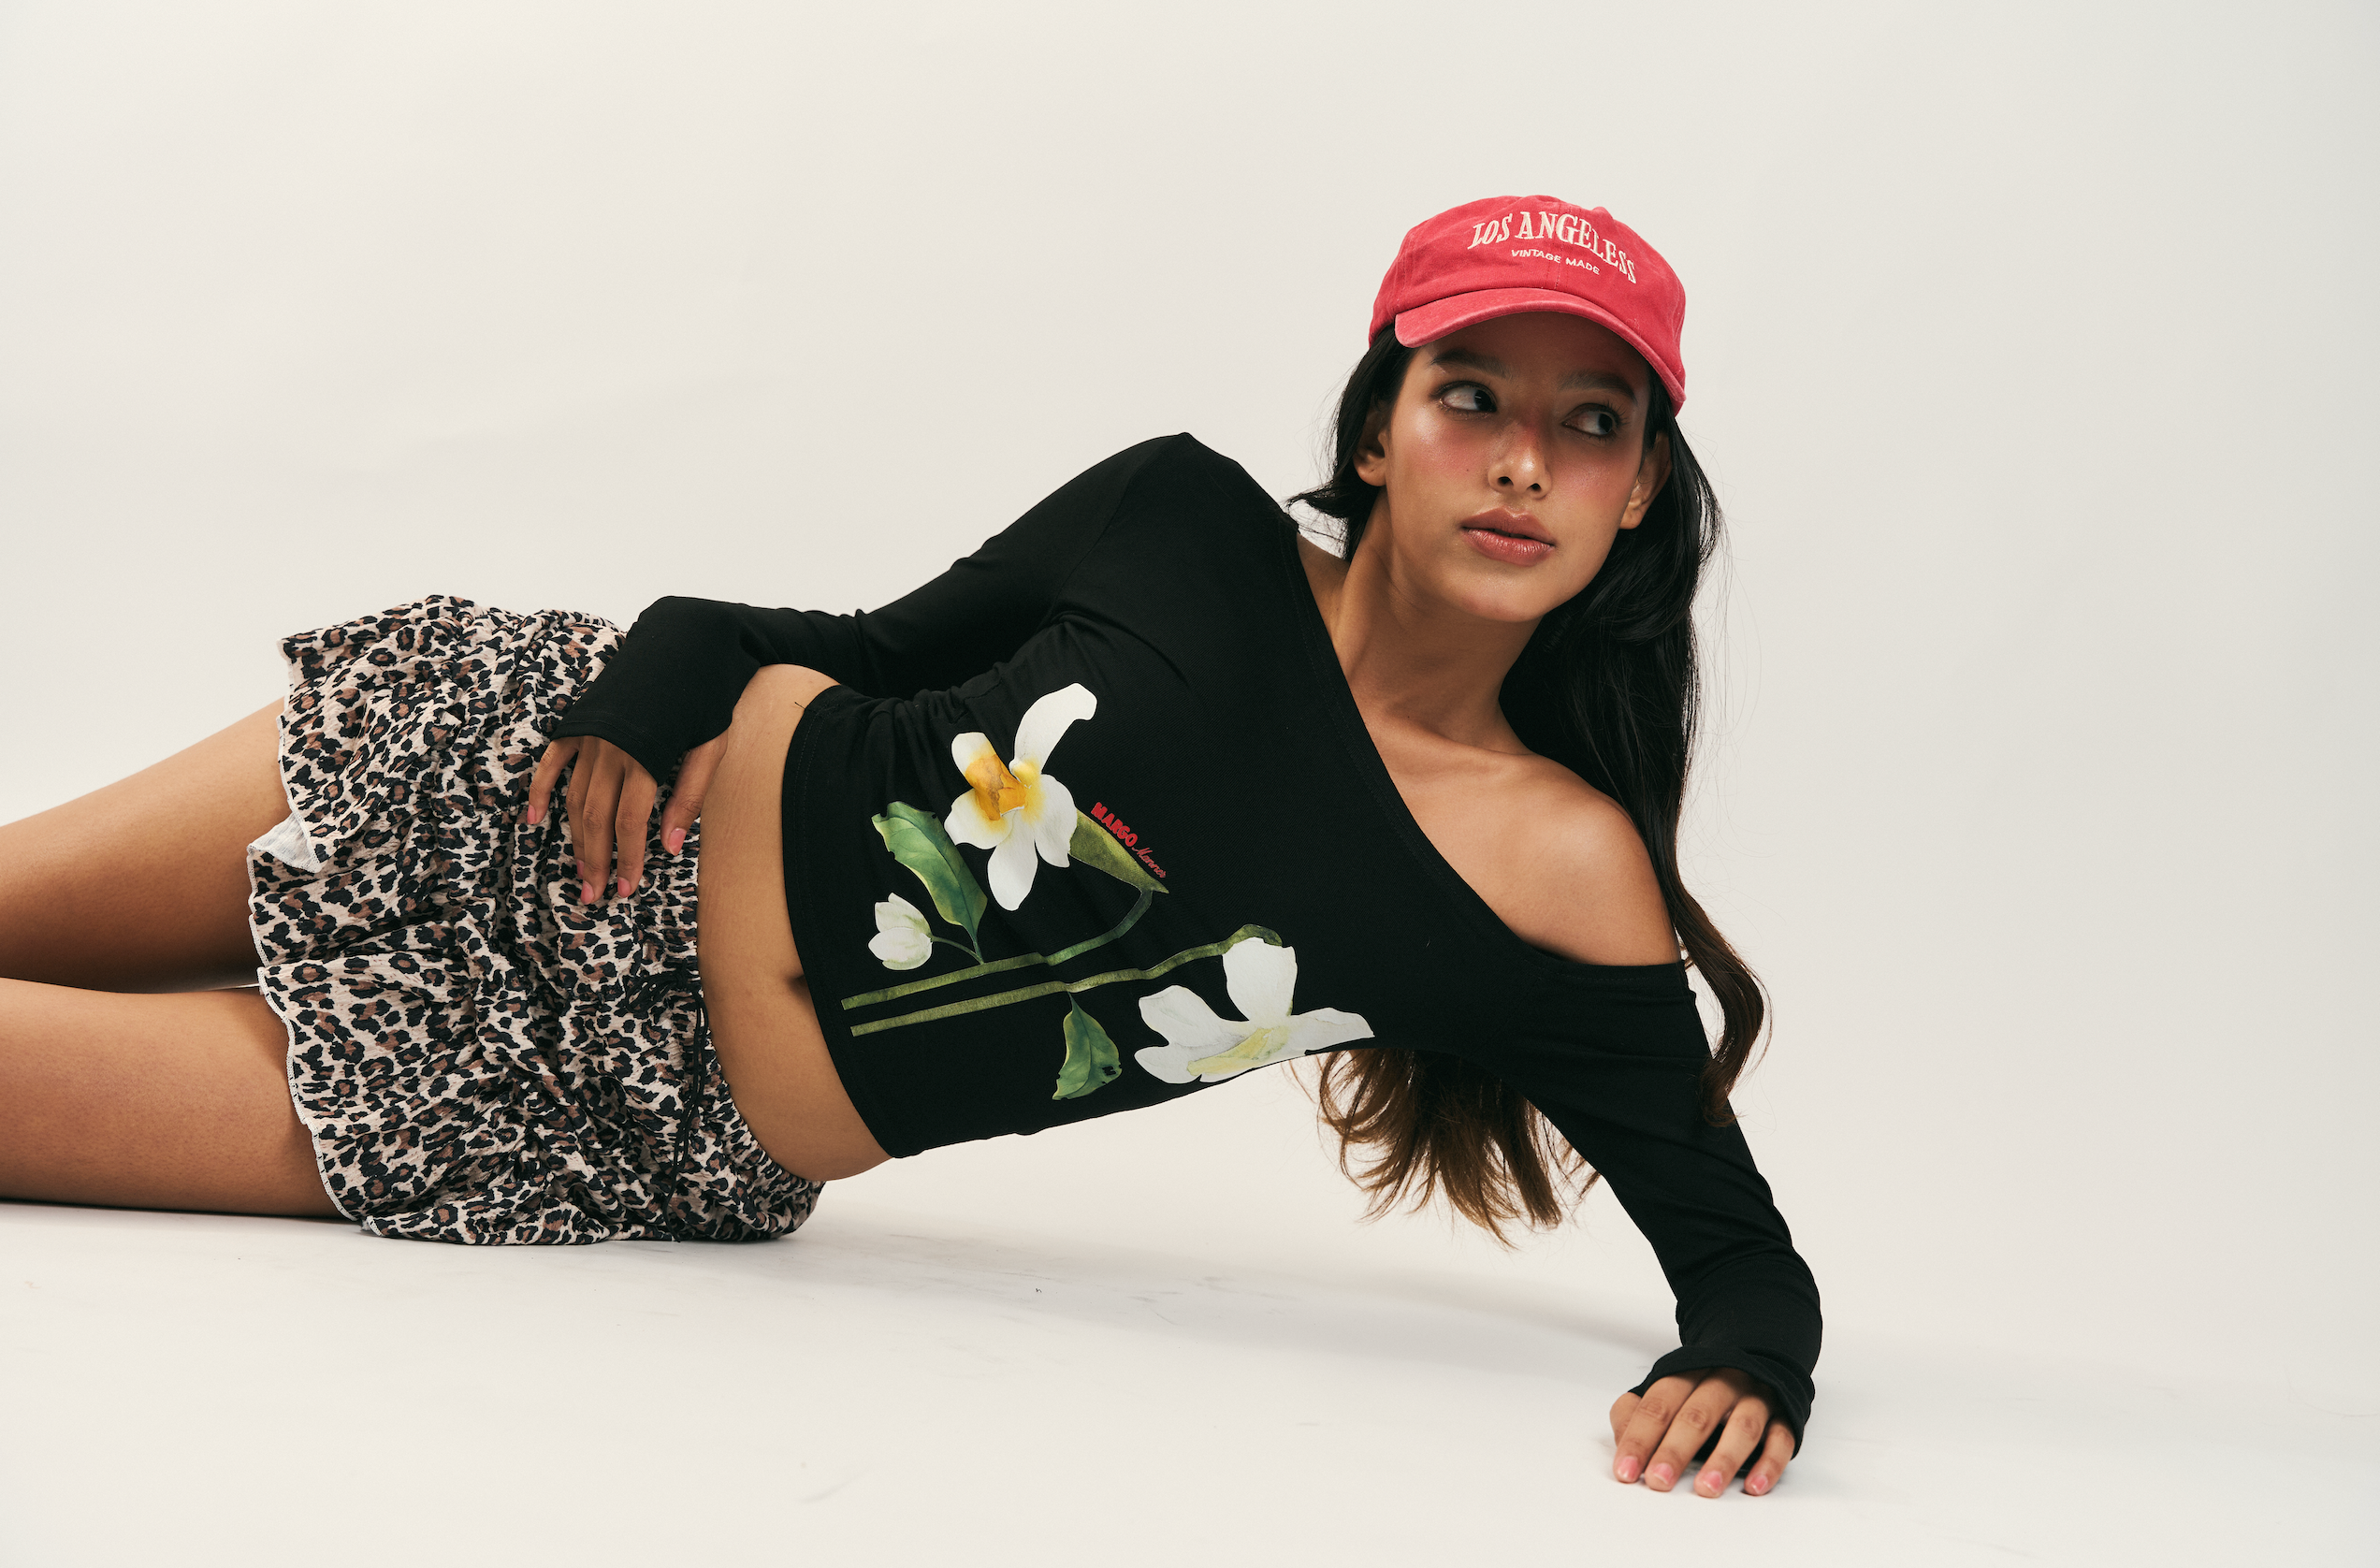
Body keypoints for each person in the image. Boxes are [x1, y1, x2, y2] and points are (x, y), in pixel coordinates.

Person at [0, 195, 1819, 1500]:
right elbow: (838, 646)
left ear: (1643, 485)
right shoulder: (1180, 518)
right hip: (532, 793)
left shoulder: (1555, 867)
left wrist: (1749, 1362)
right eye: (1471, 395)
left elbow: (1735, 1252)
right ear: (1378, 431)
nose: (1522, 461)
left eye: (1590, 424)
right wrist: (641, 684)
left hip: (610, 1114)